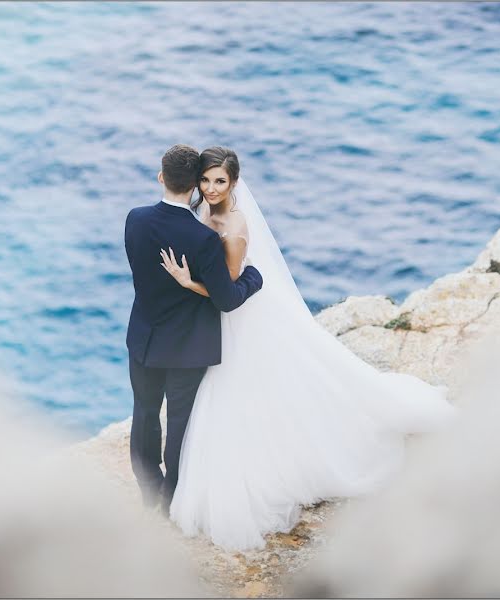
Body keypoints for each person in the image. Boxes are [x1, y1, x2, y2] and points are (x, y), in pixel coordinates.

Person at [159, 146, 455, 551]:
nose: (210, 188)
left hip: (240, 316)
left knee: (245, 386)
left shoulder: (236, 226)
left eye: (220, 181)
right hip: (220, 318)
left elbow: (226, 292)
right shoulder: (200, 211)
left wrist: (184, 281)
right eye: (206, 180)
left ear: (234, 183)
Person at [124, 144, 263, 518]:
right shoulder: (203, 239)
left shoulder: (135, 219)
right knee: (180, 422)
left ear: (161, 177)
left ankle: (148, 490)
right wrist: (253, 277)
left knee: (144, 412)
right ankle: (171, 500)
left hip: (144, 338)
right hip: (187, 346)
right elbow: (227, 299)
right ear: (195, 186)